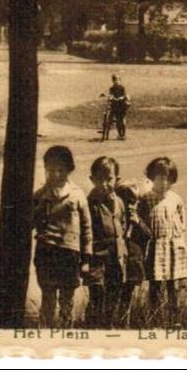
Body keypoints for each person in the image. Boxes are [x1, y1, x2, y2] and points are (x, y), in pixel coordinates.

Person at [33, 145, 92, 328]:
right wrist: (41, 205)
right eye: (50, 169)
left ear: (69, 170)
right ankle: (47, 328)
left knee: (67, 296)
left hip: (69, 252)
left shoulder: (77, 194)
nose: (54, 174)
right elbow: (31, 221)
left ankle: (66, 329)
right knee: (48, 294)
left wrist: (86, 258)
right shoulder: (40, 194)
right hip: (46, 251)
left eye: (60, 170)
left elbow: (86, 226)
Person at [139, 157, 187, 317]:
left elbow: (181, 221)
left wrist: (179, 241)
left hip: (173, 246)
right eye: (160, 178)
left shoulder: (175, 199)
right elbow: (141, 221)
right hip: (155, 247)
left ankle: (174, 315)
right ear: (152, 177)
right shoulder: (146, 198)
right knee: (156, 283)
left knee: (172, 284)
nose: (164, 183)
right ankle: (154, 315)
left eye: (169, 180)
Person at [84, 156, 127, 328]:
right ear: (91, 180)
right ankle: (92, 327)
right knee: (97, 293)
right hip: (96, 259)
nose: (104, 184)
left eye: (108, 179)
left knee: (113, 293)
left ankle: (108, 325)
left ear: (117, 180)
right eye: (99, 179)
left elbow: (122, 226)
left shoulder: (119, 203)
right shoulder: (89, 204)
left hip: (116, 258)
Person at [114, 177, 152, 326]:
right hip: (118, 262)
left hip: (132, 263)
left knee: (127, 294)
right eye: (126, 201)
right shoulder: (116, 216)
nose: (130, 205)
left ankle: (125, 322)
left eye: (134, 202)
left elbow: (149, 235)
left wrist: (138, 223)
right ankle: (115, 322)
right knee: (114, 293)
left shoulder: (139, 216)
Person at [106, 74, 131, 141]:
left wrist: (121, 97)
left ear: (120, 80)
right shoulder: (111, 88)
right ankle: (120, 134)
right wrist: (111, 97)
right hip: (115, 106)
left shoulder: (122, 88)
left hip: (121, 105)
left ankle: (123, 134)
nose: (116, 81)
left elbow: (125, 95)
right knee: (117, 121)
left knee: (122, 120)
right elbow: (110, 95)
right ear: (113, 81)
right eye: (115, 80)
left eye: (118, 80)